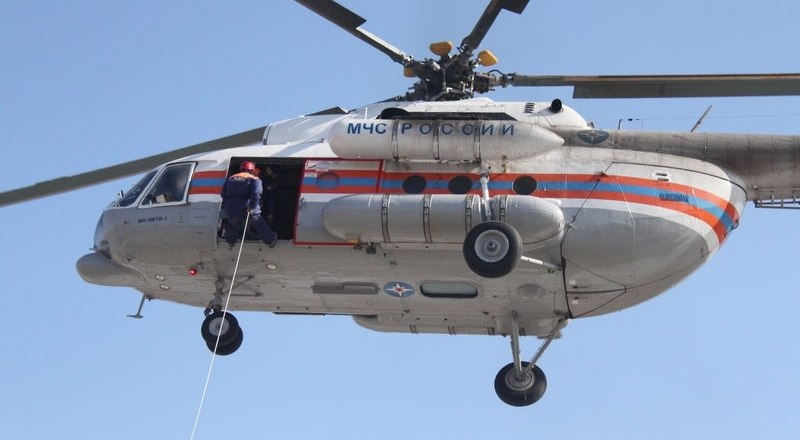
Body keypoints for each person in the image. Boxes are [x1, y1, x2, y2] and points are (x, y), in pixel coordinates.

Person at [220, 161, 278, 248]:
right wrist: (252, 207)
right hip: (247, 208)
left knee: (233, 224)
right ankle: (270, 240)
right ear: (252, 170)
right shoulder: (254, 179)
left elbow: (223, 193)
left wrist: (229, 205)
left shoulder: (231, 178)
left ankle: (230, 242)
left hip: (232, 209)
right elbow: (256, 194)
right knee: (259, 223)